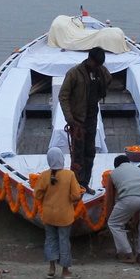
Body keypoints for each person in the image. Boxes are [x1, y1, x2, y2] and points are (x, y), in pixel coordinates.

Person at [59, 46, 111, 189]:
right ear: (89, 59)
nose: (97, 66)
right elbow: (63, 96)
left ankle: (85, 183)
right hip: (77, 121)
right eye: (96, 64)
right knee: (77, 154)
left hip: (92, 118)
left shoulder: (101, 71)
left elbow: (108, 80)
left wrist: (100, 94)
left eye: (100, 64)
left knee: (90, 152)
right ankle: (76, 185)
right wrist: (70, 119)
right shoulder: (74, 73)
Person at [34, 147, 83, 279]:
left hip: (49, 214)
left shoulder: (44, 175)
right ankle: (65, 271)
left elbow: (37, 194)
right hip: (64, 215)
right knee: (64, 241)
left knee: (50, 239)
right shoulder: (69, 175)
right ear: (62, 159)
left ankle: (51, 268)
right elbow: (76, 195)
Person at [105, 154, 140, 264]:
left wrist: (108, 219)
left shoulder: (112, 173)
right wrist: (134, 220)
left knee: (114, 224)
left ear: (116, 166)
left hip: (130, 198)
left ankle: (129, 255)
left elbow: (109, 198)